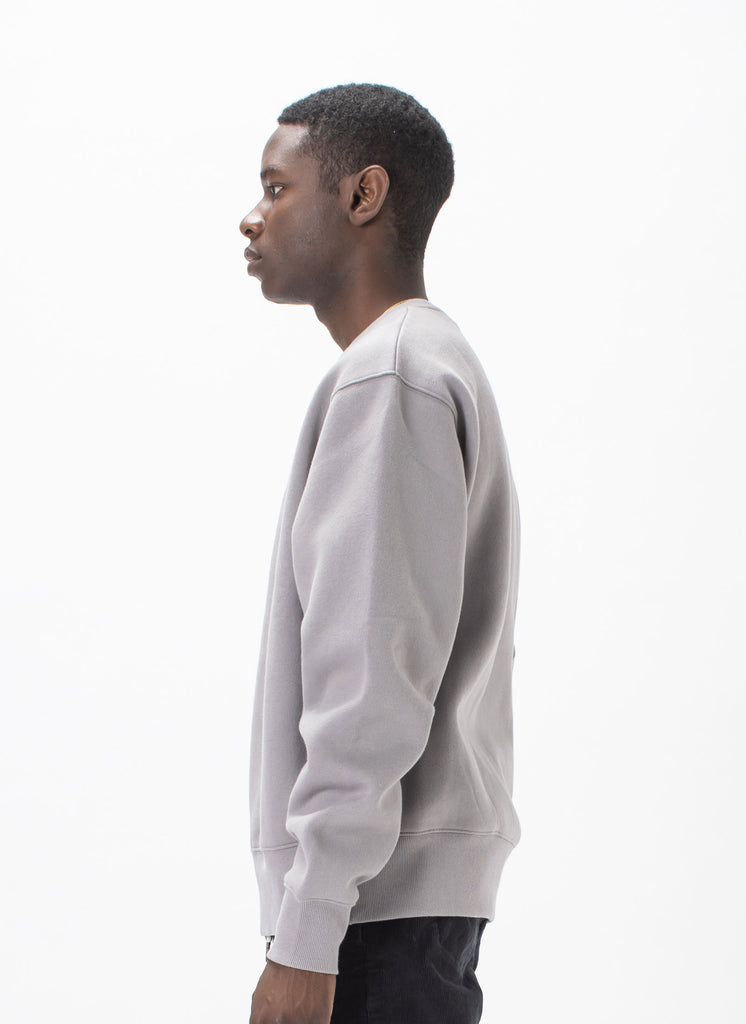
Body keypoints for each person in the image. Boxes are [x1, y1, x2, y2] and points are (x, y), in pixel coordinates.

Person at [240, 83, 521, 1024]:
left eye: (276, 188)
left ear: (363, 194)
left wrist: (309, 924)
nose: (252, 217)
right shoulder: (424, 361)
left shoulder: (391, 374)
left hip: (372, 921)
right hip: (399, 910)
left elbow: (370, 675)